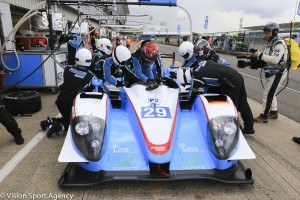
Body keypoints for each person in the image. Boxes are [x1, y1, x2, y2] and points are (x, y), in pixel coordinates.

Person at [176, 60, 255, 135]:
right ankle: (249, 127)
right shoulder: (199, 64)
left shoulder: (196, 77)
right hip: (235, 75)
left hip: (230, 81)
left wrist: (187, 103)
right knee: (243, 102)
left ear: (186, 77)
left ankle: (236, 129)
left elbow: (192, 92)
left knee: (231, 107)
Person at [40, 48, 100, 137]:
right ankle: (61, 127)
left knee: (67, 118)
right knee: (83, 124)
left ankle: (49, 122)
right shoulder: (91, 76)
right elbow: (98, 86)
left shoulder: (67, 69)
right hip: (72, 104)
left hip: (60, 101)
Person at [251, 22, 288, 123]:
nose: (265, 35)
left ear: (274, 32)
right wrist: (257, 57)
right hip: (272, 71)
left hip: (278, 72)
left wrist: (260, 55)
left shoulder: (279, 43)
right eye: (264, 33)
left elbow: (275, 60)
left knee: (267, 94)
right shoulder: (271, 43)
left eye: (267, 33)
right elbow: (267, 57)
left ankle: (264, 115)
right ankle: (273, 112)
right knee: (271, 93)